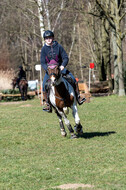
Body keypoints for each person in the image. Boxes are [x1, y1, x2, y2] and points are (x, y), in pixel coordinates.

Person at [40, 30, 85, 112]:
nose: (48, 39)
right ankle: (47, 104)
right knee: (43, 85)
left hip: (60, 69)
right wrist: (48, 69)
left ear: (53, 38)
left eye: (50, 37)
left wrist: (62, 66)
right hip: (50, 72)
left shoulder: (59, 47)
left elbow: (65, 58)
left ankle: (78, 97)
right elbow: (43, 62)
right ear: (45, 39)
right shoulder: (43, 49)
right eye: (46, 38)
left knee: (73, 79)